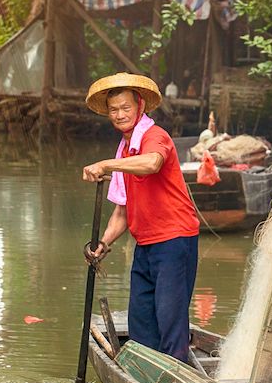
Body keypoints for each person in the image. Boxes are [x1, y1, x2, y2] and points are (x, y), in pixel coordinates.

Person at [82, 73, 200, 362]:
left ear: (140, 107)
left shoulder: (154, 137)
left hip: (174, 240)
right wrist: (103, 244)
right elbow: (122, 210)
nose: (120, 114)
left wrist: (106, 165)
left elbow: (152, 163)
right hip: (145, 244)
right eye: (113, 109)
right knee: (141, 321)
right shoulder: (124, 149)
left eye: (126, 108)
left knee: (170, 319)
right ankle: (145, 376)